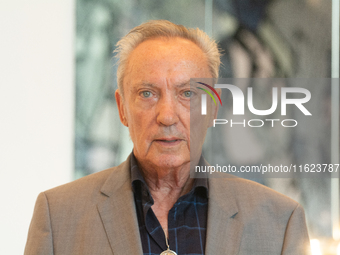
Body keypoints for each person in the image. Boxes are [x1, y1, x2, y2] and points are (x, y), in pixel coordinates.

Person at [25, 20, 311, 255]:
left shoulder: (280, 222)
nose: (167, 116)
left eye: (187, 94)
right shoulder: (58, 216)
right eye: (147, 93)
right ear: (122, 108)